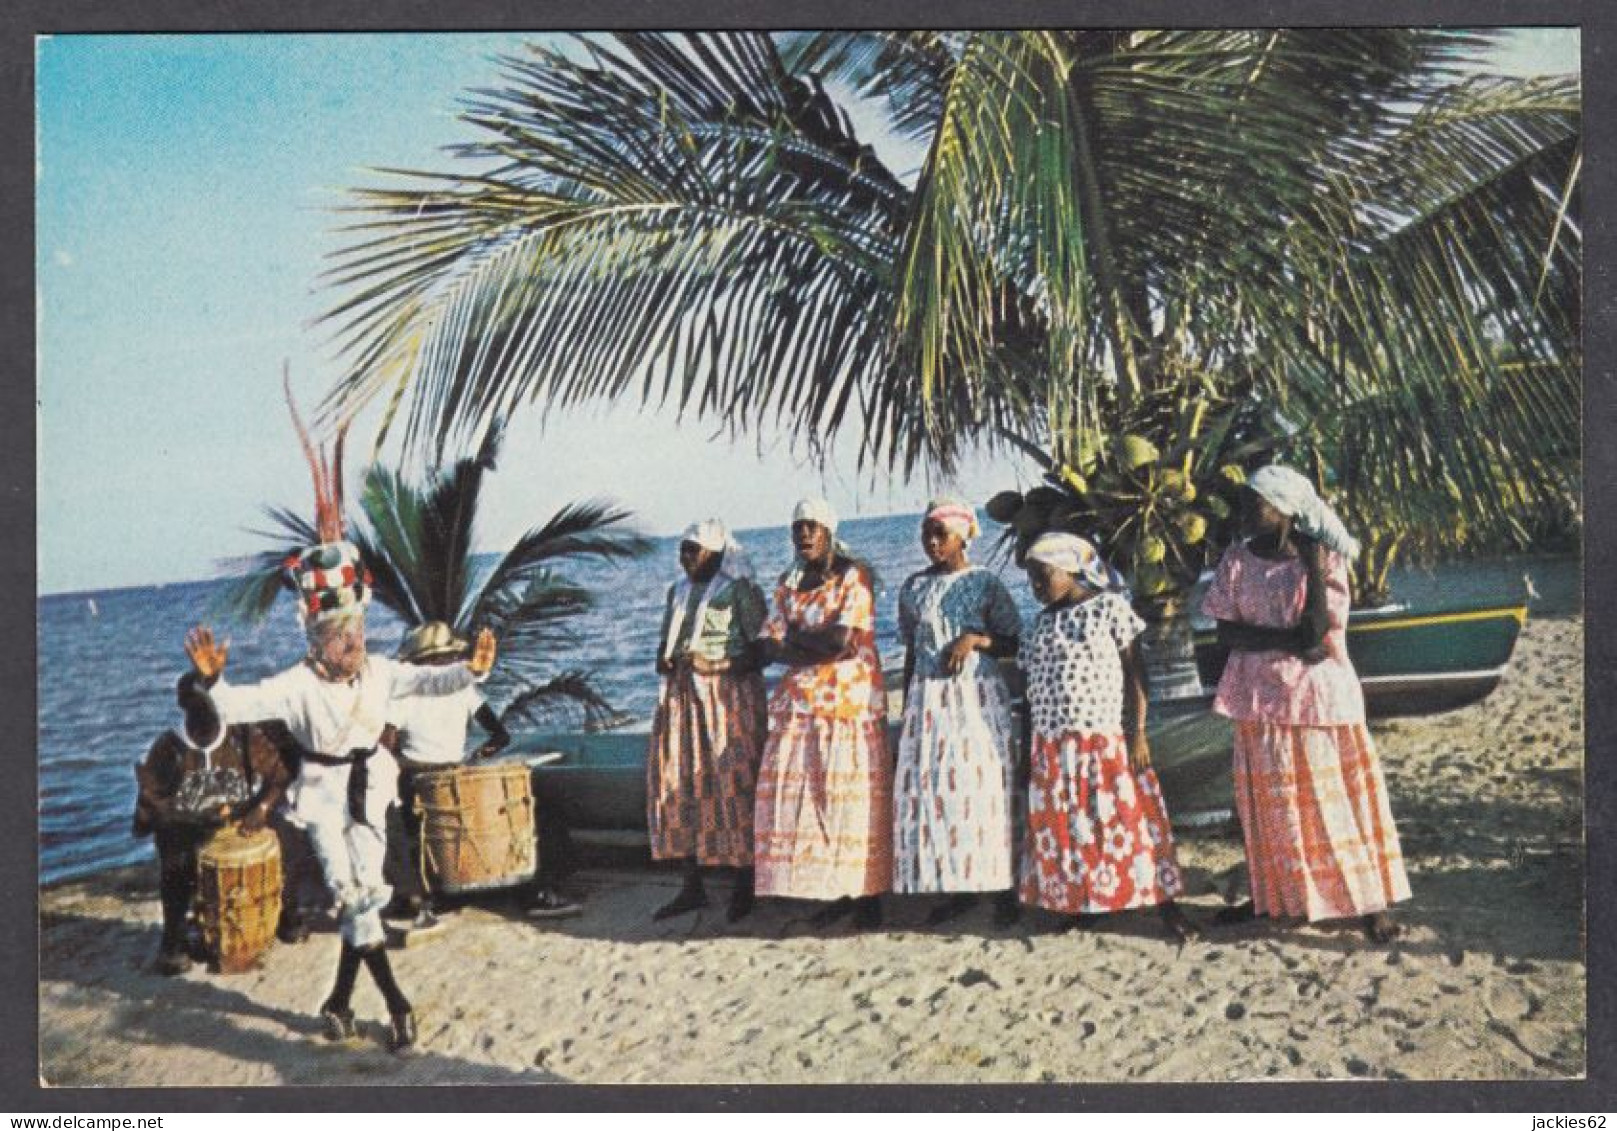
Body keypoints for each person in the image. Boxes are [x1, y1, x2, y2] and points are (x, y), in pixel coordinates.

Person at [181, 379, 497, 1053]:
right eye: (339, 634)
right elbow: (237, 706)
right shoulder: (297, 683)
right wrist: (213, 682)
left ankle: (334, 1003)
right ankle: (398, 1004)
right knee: (355, 898)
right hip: (322, 799)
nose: (352, 641)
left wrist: (472, 667)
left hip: (373, 787)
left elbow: (433, 678)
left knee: (371, 896)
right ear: (316, 639)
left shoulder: (383, 670)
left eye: (356, 629)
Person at [1199, 465, 1409, 942]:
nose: (1246, 513)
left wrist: (1311, 565)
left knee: (1332, 801)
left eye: (1256, 504)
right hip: (1259, 701)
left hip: (1316, 699)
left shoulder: (1325, 561)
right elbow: (1225, 633)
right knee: (1271, 807)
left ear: (1285, 510)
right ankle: (1274, 897)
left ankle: (1369, 905)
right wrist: (1285, 638)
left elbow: (1316, 636)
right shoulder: (1236, 560)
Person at [1017, 532, 1197, 942]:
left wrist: (1138, 733)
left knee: (1131, 822)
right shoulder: (1037, 627)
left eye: (1043, 576)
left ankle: (1167, 908)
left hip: (1104, 739)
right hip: (1051, 744)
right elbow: (1028, 697)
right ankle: (1083, 903)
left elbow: (1137, 674)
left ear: (1070, 569)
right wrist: (1028, 750)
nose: (1037, 587)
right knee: (1066, 829)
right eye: (1031, 580)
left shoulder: (1109, 609)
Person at [753, 499, 892, 930]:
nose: (805, 535)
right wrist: (807, 644)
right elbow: (764, 646)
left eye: (813, 527)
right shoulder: (788, 583)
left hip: (847, 705)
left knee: (848, 802)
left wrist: (792, 644)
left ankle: (867, 897)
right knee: (805, 802)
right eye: (798, 528)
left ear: (829, 531)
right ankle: (832, 891)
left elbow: (844, 642)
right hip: (800, 706)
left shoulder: (854, 576)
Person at [385, 620, 579, 926]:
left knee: (392, 823)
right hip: (456, 775)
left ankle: (414, 894)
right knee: (537, 814)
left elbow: (386, 744)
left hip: (417, 783)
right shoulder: (463, 687)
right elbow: (500, 736)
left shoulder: (405, 694)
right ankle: (538, 890)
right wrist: (477, 756)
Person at [892, 500, 1022, 926]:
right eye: (926, 534)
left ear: (963, 535)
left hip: (976, 698)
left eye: (940, 534)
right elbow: (913, 648)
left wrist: (975, 640)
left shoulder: (985, 583)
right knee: (940, 795)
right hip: (929, 700)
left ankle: (1002, 889)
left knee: (983, 791)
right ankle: (958, 885)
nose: (931, 542)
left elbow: (1014, 641)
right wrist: (911, 702)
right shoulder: (912, 588)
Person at [133, 676, 302, 974]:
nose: (206, 714)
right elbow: (151, 805)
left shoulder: (242, 736)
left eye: (210, 705)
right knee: (174, 863)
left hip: (239, 823)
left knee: (279, 841)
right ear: (183, 708)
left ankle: (285, 914)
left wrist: (261, 808)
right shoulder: (168, 747)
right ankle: (172, 941)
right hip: (188, 828)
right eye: (197, 707)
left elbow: (281, 773)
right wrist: (191, 821)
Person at [646, 520, 769, 922]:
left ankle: (744, 881)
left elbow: (761, 651)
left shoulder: (740, 592)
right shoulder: (677, 594)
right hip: (682, 698)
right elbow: (665, 642)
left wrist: (714, 663)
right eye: (682, 550)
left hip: (726, 697)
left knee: (731, 781)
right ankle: (691, 884)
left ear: (715, 554)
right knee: (677, 782)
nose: (685, 558)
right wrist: (666, 659)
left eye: (692, 550)